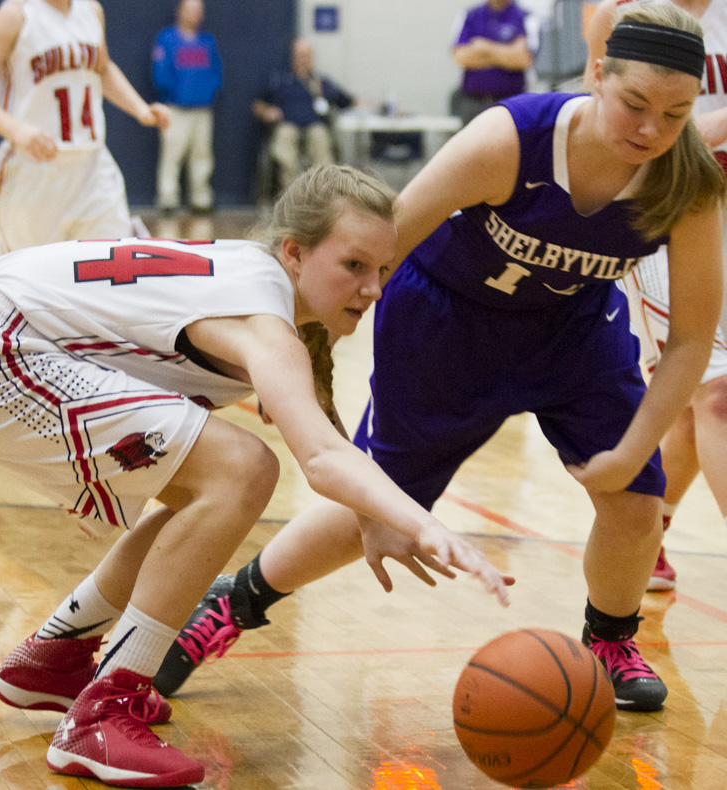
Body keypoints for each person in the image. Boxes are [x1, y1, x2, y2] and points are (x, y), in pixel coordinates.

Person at [152, 4, 726, 714]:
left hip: (573, 328)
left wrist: (634, 451)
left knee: (636, 504)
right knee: (387, 502)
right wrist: (308, 363)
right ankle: (236, 602)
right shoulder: (511, 139)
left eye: (674, 115)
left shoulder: (686, 180)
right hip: (444, 325)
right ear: (598, 74)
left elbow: (693, 340)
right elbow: (380, 249)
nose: (650, 130)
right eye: (635, 104)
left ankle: (610, 637)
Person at [0, 164, 513, 788]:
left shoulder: (265, 289)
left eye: (384, 270)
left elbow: (322, 423)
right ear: (294, 252)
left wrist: (372, 517)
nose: (373, 288)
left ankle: (51, 661)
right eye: (354, 266)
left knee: (205, 487)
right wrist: (423, 524)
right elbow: (320, 459)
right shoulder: (264, 317)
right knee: (243, 470)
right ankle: (105, 713)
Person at [584, 0, 727, 592]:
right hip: (665, 213)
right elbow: (627, 133)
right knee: (717, 393)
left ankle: (647, 529)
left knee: (695, 416)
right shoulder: (621, 16)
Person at [0, 0, 171, 258]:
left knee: (113, 268)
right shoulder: (15, 16)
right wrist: (16, 130)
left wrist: (140, 109)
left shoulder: (92, 11)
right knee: (29, 281)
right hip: (35, 170)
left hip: (93, 168)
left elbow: (102, 69)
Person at [253, 38, 355, 194]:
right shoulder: (280, 80)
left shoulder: (321, 83)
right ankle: (293, 193)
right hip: (288, 125)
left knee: (319, 137)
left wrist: (385, 108)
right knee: (285, 138)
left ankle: (322, 194)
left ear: (312, 58)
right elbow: (258, 105)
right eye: (299, 55)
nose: (302, 59)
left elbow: (350, 101)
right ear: (293, 57)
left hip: (314, 127)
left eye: (306, 55)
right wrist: (267, 112)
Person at [151, 0, 222, 215]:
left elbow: (216, 71)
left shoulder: (207, 41)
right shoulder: (167, 39)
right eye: (191, 10)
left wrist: (208, 93)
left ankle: (201, 199)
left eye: (199, 10)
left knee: (202, 155)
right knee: (172, 154)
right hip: (175, 108)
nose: (196, 14)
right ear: (180, 11)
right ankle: (168, 198)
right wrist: (173, 94)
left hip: (202, 108)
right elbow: (160, 72)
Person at [451, 0, 534, 128]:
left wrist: (483, 48)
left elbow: (522, 59)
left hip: (511, 103)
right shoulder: (470, 15)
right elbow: (461, 57)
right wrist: (507, 54)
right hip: (474, 103)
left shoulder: (524, 16)